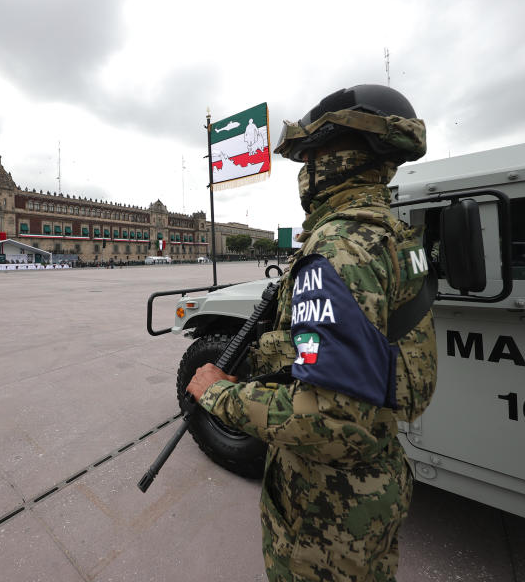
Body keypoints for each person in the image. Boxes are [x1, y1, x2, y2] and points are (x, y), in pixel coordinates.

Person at [187, 84, 438, 582]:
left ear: (344, 154)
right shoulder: (390, 232)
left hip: (328, 513)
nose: (306, 170)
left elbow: (333, 422)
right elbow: (377, 358)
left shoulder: (339, 247)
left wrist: (220, 395)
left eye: (313, 154)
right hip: (373, 483)